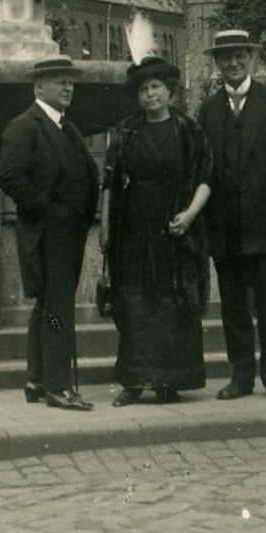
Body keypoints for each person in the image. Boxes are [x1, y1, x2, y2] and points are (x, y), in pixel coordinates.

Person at [198, 29, 266, 402]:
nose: (232, 63)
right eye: (225, 57)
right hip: (225, 228)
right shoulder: (208, 110)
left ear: (251, 59)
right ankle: (241, 376)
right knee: (232, 307)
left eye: (239, 56)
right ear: (216, 63)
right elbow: (203, 170)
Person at [100, 56, 213, 406]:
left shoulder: (188, 130)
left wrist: (190, 215)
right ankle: (133, 383)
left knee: (170, 303)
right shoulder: (125, 132)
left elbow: (207, 179)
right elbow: (110, 184)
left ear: (170, 91)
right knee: (134, 304)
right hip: (132, 230)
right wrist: (105, 229)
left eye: (156, 88)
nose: (150, 95)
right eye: (144, 90)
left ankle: (170, 382)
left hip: (174, 228)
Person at [0, 56, 100, 412]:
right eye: (60, 81)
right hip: (49, 233)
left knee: (48, 307)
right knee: (58, 308)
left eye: (71, 82)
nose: (68, 87)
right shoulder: (25, 126)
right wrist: (49, 211)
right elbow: (10, 177)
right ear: (38, 87)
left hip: (69, 232)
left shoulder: (65, 126)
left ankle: (37, 379)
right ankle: (58, 386)